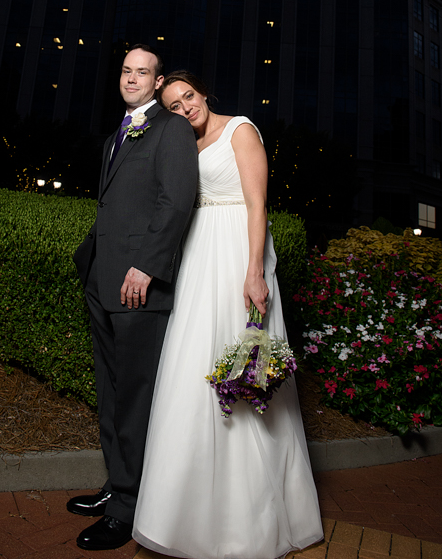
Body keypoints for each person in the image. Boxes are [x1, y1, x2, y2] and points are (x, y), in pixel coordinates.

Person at [133, 71, 323, 559]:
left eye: (188, 97)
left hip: (238, 255)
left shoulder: (241, 129)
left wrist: (255, 270)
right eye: (173, 105)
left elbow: (258, 203)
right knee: (191, 372)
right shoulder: (184, 145)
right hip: (199, 260)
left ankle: (249, 519)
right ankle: (186, 513)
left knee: (244, 372)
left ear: (203, 93)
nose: (185, 109)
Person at [69, 47, 198, 551]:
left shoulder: (171, 129)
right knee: (111, 393)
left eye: (142, 72)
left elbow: (176, 200)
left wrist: (145, 266)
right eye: (125, 69)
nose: (131, 78)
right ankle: (115, 485)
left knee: (136, 400)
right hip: (102, 281)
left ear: (156, 79)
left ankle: (128, 508)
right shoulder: (115, 135)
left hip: (138, 284)